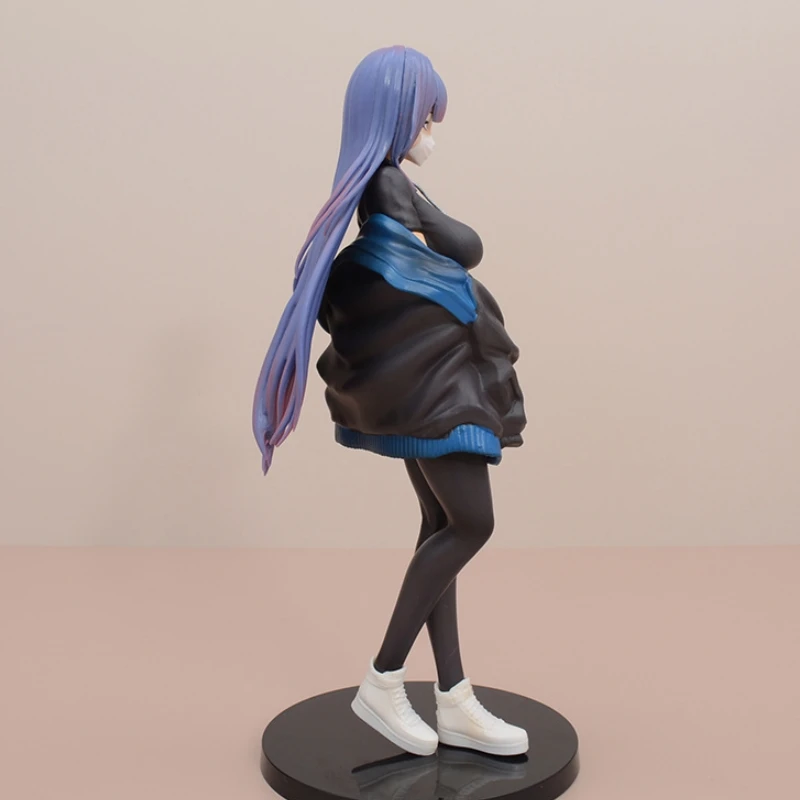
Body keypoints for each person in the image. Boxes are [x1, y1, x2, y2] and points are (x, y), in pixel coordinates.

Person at [252, 45, 528, 758]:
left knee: (440, 524)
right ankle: (383, 678)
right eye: (426, 117)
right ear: (397, 114)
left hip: (427, 380)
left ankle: (454, 698)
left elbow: (454, 248)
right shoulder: (388, 186)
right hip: (433, 386)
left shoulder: (386, 186)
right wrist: (434, 223)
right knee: (471, 523)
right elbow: (465, 246)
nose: (433, 131)